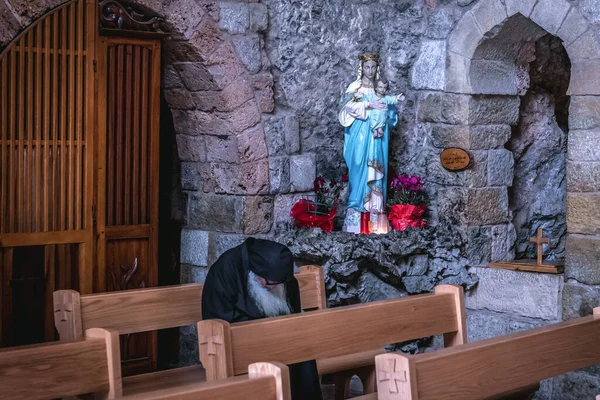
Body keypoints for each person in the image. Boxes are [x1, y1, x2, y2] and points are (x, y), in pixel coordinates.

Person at [201, 237, 323, 400]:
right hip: (237, 343)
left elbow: (292, 311)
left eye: (278, 283)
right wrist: (265, 332)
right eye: (269, 283)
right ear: (255, 271)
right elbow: (217, 318)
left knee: (303, 353)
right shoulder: (225, 270)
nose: (273, 287)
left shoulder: (281, 277)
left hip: (275, 338)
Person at [338, 54, 401, 228]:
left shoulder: (379, 88)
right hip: (359, 136)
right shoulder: (355, 87)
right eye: (367, 67)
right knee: (359, 167)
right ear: (361, 68)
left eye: (373, 67)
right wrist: (368, 105)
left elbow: (391, 116)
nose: (370, 71)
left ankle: (375, 214)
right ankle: (356, 210)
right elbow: (345, 109)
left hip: (377, 139)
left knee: (376, 169)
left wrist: (390, 108)